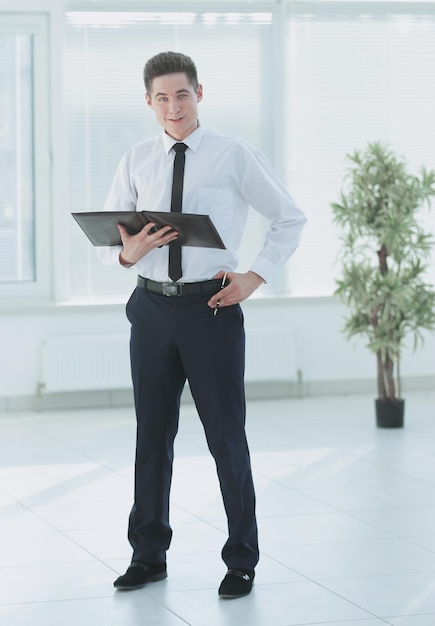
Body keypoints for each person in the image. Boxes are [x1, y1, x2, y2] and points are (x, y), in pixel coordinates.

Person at [97, 51, 306, 598]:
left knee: (225, 438)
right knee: (152, 436)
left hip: (210, 310)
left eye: (182, 94)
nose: (173, 106)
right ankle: (148, 555)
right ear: (148, 102)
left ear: (199, 94)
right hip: (150, 309)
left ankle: (241, 560)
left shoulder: (234, 155)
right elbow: (108, 244)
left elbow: (289, 218)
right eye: (162, 97)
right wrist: (128, 252)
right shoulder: (136, 159)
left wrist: (255, 276)